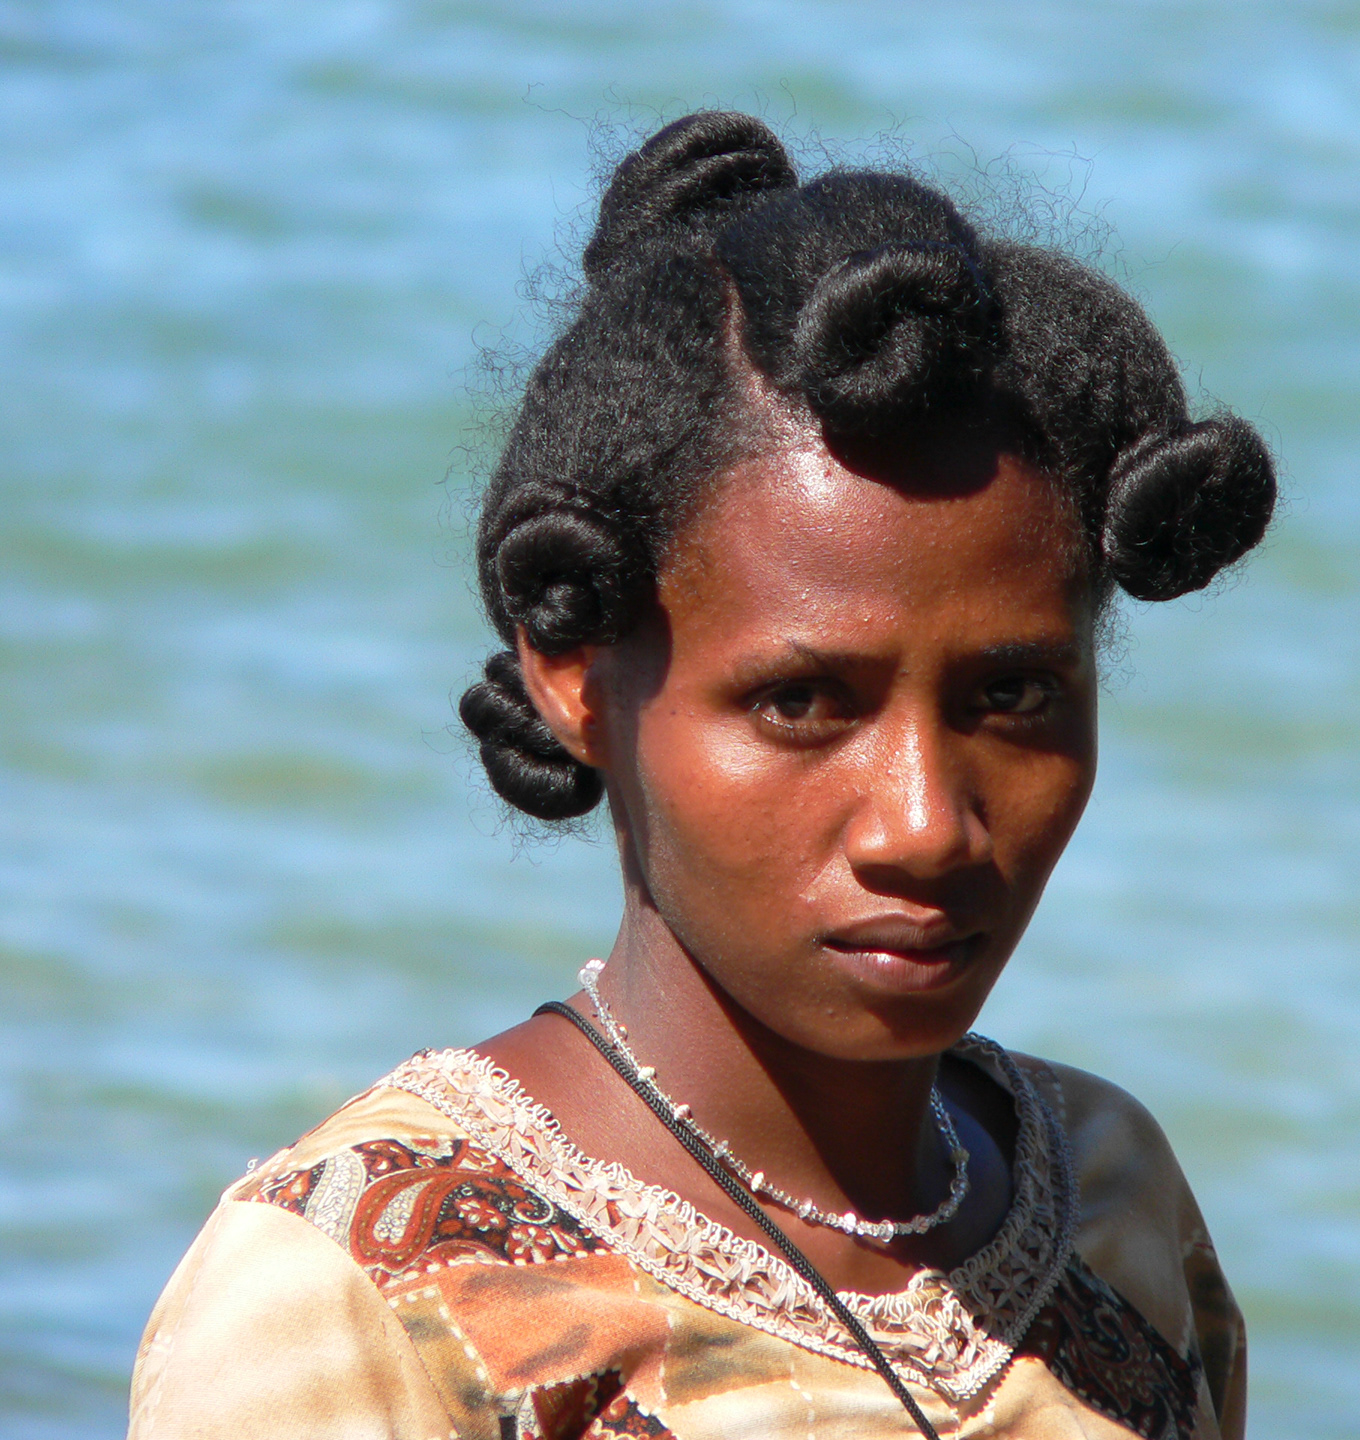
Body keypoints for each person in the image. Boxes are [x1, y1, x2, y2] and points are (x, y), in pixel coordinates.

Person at [128, 110, 1276, 1440]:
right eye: (801, 702)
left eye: (1012, 696)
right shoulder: (364, 1303)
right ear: (573, 670)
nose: (925, 826)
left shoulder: (1105, 1193)